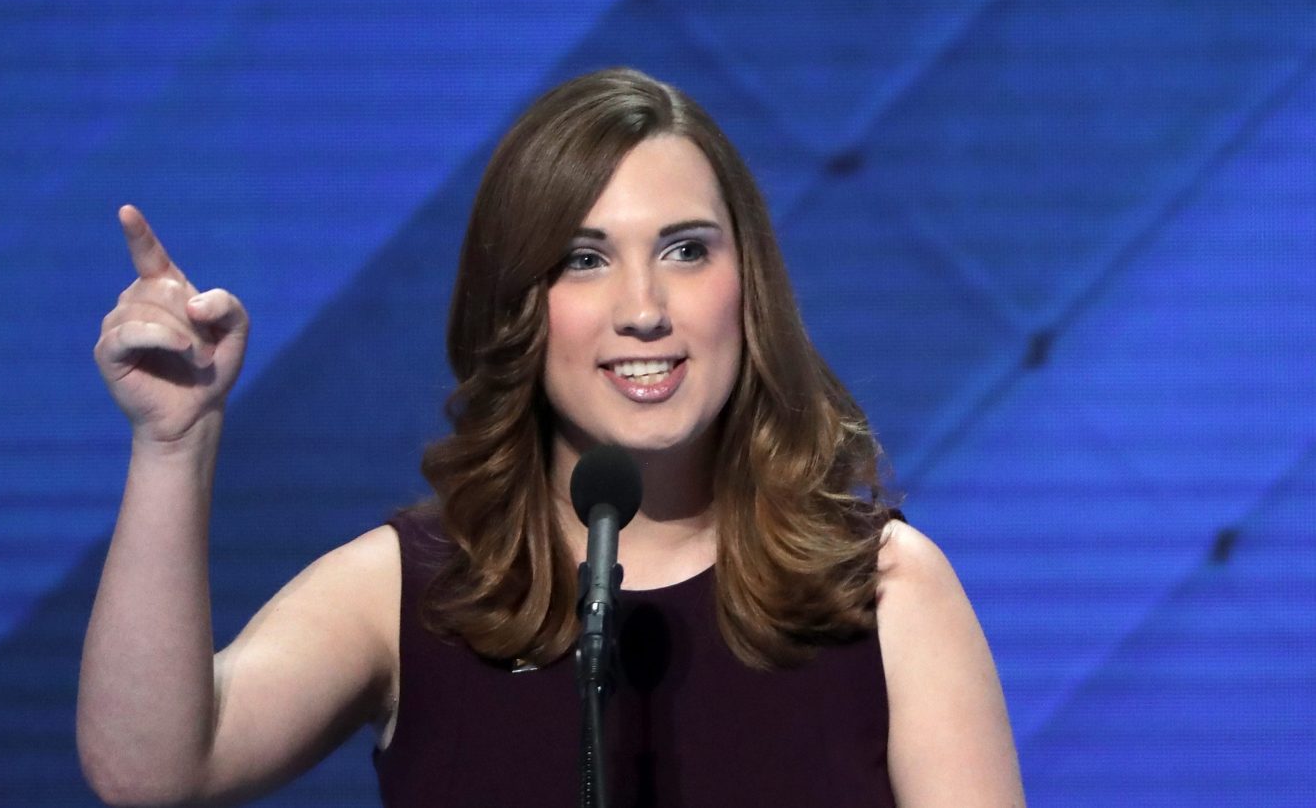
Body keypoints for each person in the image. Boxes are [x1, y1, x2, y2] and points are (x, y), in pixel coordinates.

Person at [78, 68, 1025, 807]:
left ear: (749, 284)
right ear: (516, 307)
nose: (644, 308)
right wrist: (173, 445)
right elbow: (152, 770)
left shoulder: (886, 590)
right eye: (583, 259)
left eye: (685, 250)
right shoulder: (410, 591)